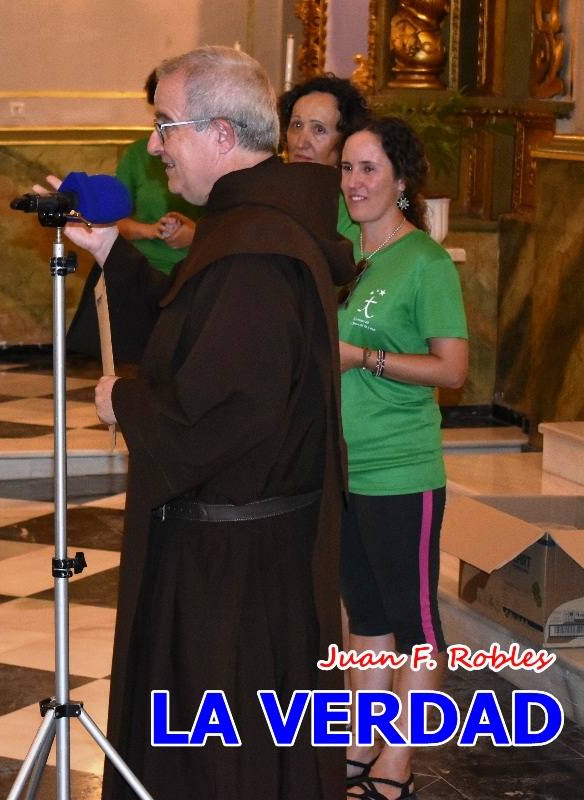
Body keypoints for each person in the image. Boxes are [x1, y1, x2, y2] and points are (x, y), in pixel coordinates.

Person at [55, 47, 355, 800]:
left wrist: (122, 401)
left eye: (166, 126)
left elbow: (223, 414)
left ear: (221, 134)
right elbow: (189, 337)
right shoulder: (246, 229)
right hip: (242, 552)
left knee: (224, 763)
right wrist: (115, 256)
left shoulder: (253, 248)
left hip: (234, 576)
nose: (155, 146)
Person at [337, 117, 468, 800]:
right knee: (365, 621)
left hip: (400, 469)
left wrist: (365, 358)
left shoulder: (426, 263)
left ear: (401, 179)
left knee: (415, 625)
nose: (354, 183)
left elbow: (452, 371)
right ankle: (362, 746)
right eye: (347, 168)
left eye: (369, 169)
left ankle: (400, 761)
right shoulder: (346, 249)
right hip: (345, 469)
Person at [115, 70, 204, 274]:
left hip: (195, 268)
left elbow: (235, 230)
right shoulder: (138, 154)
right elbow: (114, 221)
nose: (156, 147)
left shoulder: (205, 154)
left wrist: (195, 235)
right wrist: (152, 230)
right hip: (144, 267)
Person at [279, 74, 370, 239]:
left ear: (346, 141)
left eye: (319, 130)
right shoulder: (270, 195)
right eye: (297, 125)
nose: (301, 143)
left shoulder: (356, 209)